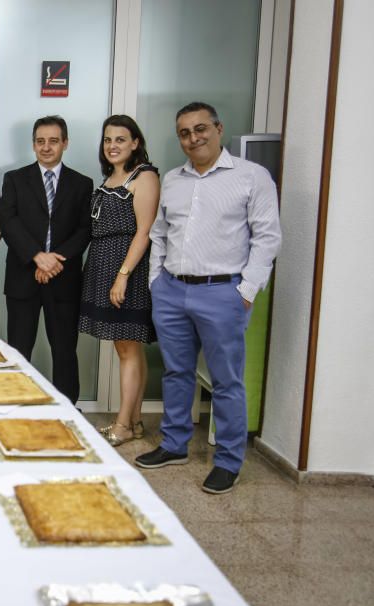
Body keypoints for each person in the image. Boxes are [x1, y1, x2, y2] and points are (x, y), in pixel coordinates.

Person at [135, 102, 281, 494]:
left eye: (200, 129)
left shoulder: (252, 177)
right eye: (184, 132)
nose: (193, 138)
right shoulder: (174, 180)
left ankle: (229, 462)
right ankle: (174, 444)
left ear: (218, 128)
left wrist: (246, 291)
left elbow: (268, 238)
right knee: (177, 373)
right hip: (172, 290)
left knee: (227, 381)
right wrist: (156, 281)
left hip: (222, 292)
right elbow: (161, 233)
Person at [0, 116, 93, 404]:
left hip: (63, 280)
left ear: (65, 143)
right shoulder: (15, 179)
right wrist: (38, 257)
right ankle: (17, 405)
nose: (46, 147)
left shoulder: (82, 183)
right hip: (22, 277)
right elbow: (8, 221)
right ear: (33, 144)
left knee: (64, 350)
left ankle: (67, 410)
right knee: (18, 348)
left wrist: (53, 261)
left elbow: (84, 229)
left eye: (53, 141)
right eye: (40, 141)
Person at [79, 115, 160, 444]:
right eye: (108, 140)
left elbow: (144, 232)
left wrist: (122, 276)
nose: (113, 146)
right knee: (128, 348)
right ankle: (135, 421)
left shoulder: (145, 177)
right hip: (102, 264)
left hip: (127, 269)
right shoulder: (110, 178)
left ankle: (124, 424)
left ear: (135, 143)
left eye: (120, 139)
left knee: (128, 348)